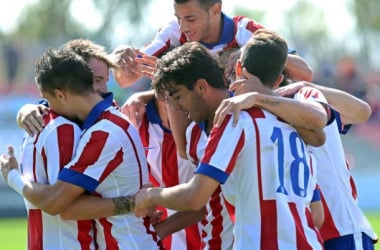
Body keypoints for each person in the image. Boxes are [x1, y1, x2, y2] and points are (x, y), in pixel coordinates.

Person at [133, 36, 324, 248]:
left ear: (201, 86)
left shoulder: (234, 120)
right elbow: (316, 212)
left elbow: (195, 197)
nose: (176, 107)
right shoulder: (286, 116)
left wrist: (150, 196)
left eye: (177, 97)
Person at [213, 52, 378, 248]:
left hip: (342, 231)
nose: (235, 80)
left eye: (236, 71)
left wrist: (307, 86)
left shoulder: (307, 99)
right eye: (229, 75)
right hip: (305, 238)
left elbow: (362, 112)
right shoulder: (252, 117)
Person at [0, 48, 160, 249]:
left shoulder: (104, 132)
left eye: (48, 102)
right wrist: (26, 110)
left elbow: (58, 205)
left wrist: (12, 176)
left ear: (60, 95)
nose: (48, 110)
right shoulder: (104, 121)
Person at [117, 0, 314, 159]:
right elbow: (124, 79)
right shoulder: (174, 33)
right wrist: (123, 60)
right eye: (178, 18)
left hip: (247, 128)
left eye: (190, 19)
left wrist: (249, 50)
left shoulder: (244, 31)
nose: (183, 26)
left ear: (215, 9)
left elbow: (305, 73)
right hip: (199, 135)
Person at [16, 38, 117, 136]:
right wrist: (24, 112)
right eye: (97, 80)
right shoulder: (59, 103)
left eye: (105, 81)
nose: (104, 89)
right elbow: (40, 108)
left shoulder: (110, 113)